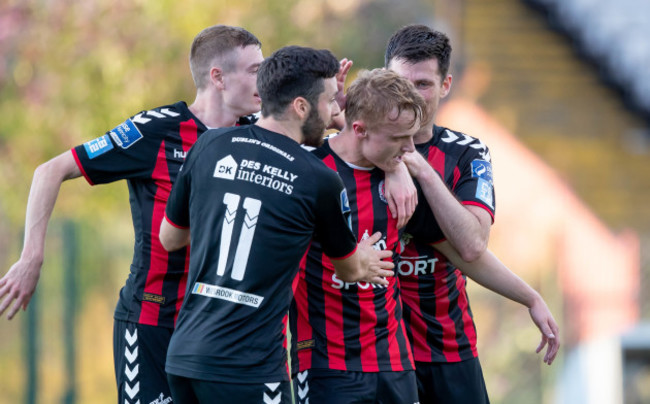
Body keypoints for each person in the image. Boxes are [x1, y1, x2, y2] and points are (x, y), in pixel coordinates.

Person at [0, 25, 264, 404]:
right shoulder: (154, 131)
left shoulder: (262, 135)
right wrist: (31, 257)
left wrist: (384, 168)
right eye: (255, 70)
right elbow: (50, 171)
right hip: (152, 325)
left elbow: (335, 146)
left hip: (222, 332)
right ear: (217, 77)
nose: (266, 79)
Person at [158, 45, 395, 404]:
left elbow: (170, 238)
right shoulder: (318, 178)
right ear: (301, 107)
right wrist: (365, 256)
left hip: (184, 359)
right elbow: (349, 271)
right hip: (248, 369)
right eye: (331, 101)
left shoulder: (209, 144)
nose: (335, 111)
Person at [384, 24, 560, 403]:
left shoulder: (467, 153)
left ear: (446, 85)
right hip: (375, 355)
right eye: (400, 84)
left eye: (423, 84)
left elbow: (471, 243)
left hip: (448, 348)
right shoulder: (352, 151)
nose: (411, 97)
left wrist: (419, 168)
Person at [290, 68, 428, 404]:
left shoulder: (402, 173)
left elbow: (466, 249)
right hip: (326, 362)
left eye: (412, 136)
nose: (410, 149)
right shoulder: (304, 169)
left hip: (394, 360)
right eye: (399, 138)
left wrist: (529, 297)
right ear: (359, 129)